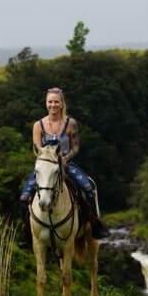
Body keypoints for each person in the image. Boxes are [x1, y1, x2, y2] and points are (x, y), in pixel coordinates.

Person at [19, 87, 110, 239]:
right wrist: (48, 160)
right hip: (46, 167)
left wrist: (65, 159)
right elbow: (37, 149)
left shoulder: (70, 124)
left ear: (62, 104)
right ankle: (27, 231)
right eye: (50, 102)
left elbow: (75, 147)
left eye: (56, 102)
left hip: (67, 164)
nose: (53, 105)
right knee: (24, 197)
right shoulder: (38, 125)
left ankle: (95, 225)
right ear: (46, 103)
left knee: (88, 187)